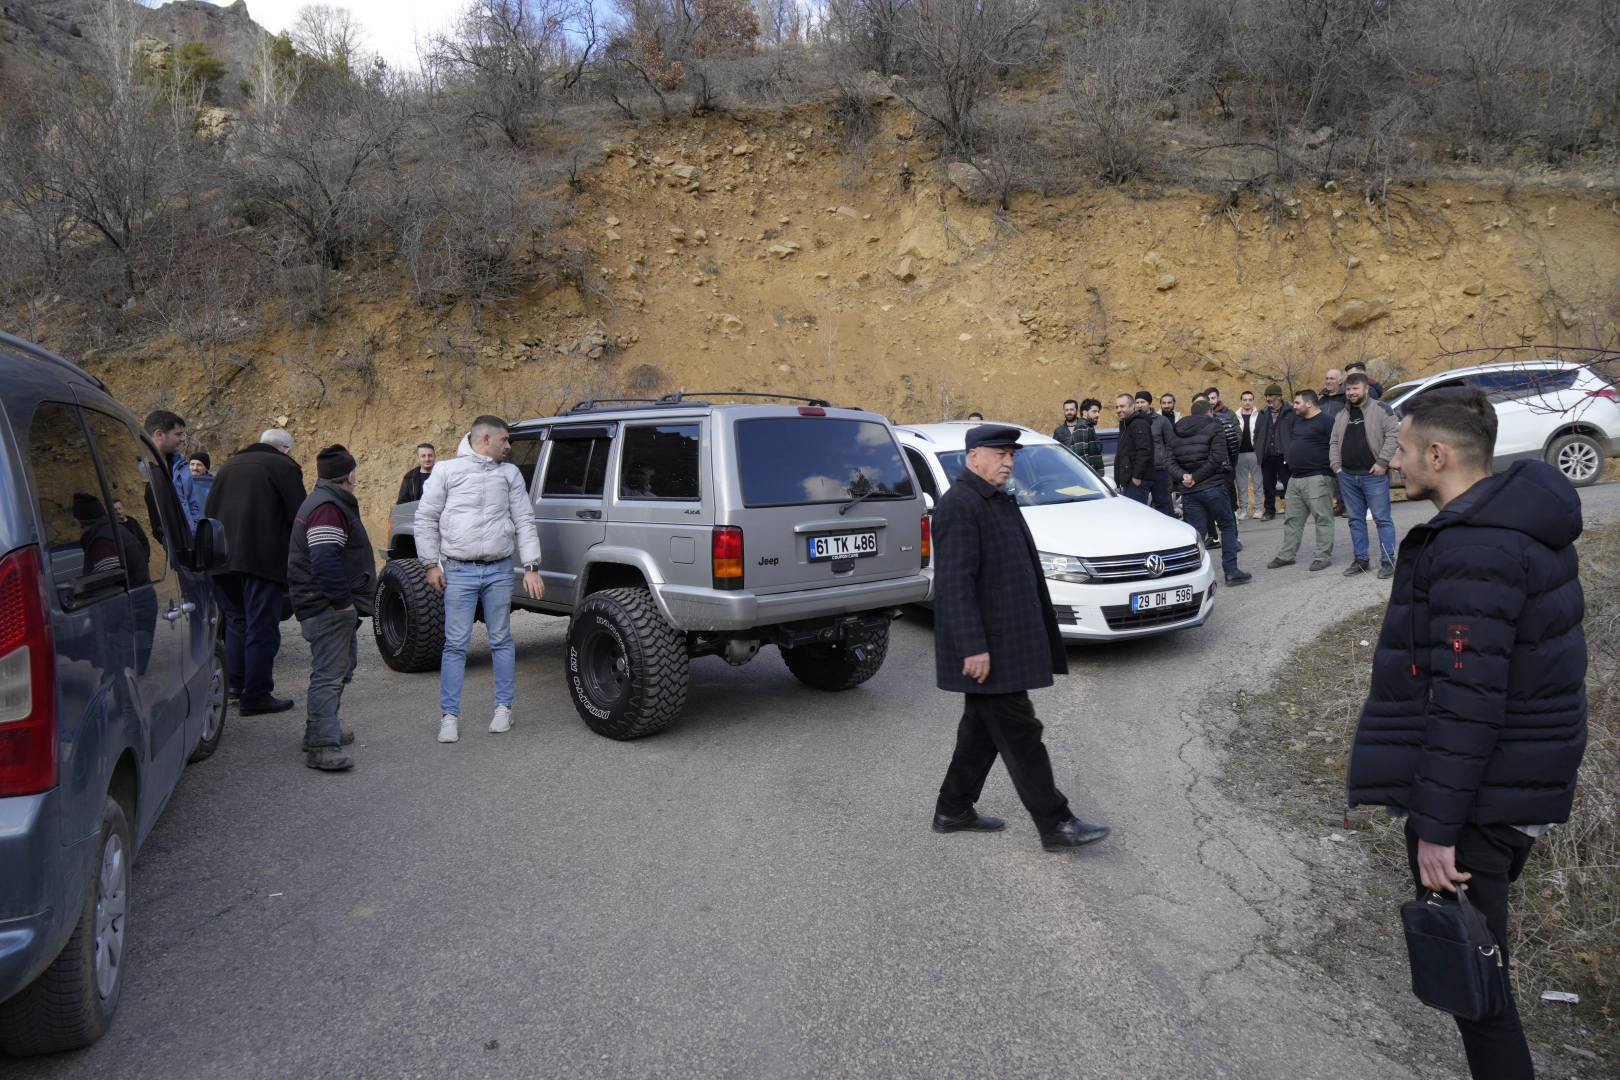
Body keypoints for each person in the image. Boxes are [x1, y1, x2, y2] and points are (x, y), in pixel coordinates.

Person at [1347, 387, 1586, 1080]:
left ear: (1439, 454)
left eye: (1402, 447)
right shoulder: (1514, 524)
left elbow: (1467, 699)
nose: (1393, 460)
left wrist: (1437, 830)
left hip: (1482, 803)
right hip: (1514, 785)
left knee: (1477, 988)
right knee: (1479, 974)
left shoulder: (1475, 549)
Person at [930, 424, 1111, 852]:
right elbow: (955, 584)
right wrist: (973, 646)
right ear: (973, 456)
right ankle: (1056, 823)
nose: (1009, 462)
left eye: (1012, 454)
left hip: (1007, 639)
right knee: (1021, 733)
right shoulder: (960, 504)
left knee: (981, 731)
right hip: (991, 645)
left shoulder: (993, 500)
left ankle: (953, 809)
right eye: (999, 454)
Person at [416, 415, 545, 743]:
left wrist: (531, 566)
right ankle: (449, 716)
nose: (509, 446)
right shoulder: (446, 470)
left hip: (500, 570)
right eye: (505, 440)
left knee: (501, 640)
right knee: (456, 644)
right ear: (485, 439)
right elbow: (426, 517)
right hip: (458, 570)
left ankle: (504, 709)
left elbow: (524, 518)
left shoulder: (510, 473)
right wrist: (431, 564)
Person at [205, 428, 307, 714]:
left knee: (237, 623)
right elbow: (300, 515)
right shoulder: (284, 466)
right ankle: (257, 695)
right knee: (262, 628)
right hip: (260, 560)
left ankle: (236, 685)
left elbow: (209, 510)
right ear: (286, 449)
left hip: (222, 560)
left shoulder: (228, 465)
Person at [287, 445, 376, 772]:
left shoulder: (326, 501)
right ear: (350, 474)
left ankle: (320, 730)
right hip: (327, 604)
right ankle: (323, 746)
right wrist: (343, 604)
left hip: (324, 602)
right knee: (330, 672)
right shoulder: (327, 507)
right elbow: (324, 559)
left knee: (340, 666)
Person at [1169, 400, 1252, 586]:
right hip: (1213, 486)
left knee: (1196, 535)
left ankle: (1193, 578)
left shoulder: (1175, 429)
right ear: (1209, 412)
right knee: (1227, 526)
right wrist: (1197, 477)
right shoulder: (1215, 426)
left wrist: (1185, 477)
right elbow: (1218, 458)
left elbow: (1168, 462)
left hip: (1189, 490)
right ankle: (1231, 572)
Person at [1331, 372, 1400, 578]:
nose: (1351, 393)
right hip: (1348, 476)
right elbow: (1334, 441)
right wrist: (1336, 466)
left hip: (1374, 475)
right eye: (1349, 389)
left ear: (1366, 389)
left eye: (1355, 389)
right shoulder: (1341, 415)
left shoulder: (1381, 410)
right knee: (1355, 520)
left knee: (1382, 519)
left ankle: (1388, 561)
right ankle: (1361, 560)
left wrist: (1382, 462)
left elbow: (1393, 435)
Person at [1267, 390, 1336, 571]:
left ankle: (1322, 557)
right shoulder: (1298, 423)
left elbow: (1336, 447)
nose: (1294, 406)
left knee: (1322, 518)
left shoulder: (1327, 421)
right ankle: (1287, 555)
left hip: (1318, 477)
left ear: (1309, 403)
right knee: (1292, 520)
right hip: (1295, 478)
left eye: (1297, 403)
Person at [143, 410, 204, 532]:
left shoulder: (181, 464)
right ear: (160, 434)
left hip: (189, 542)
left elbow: (193, 504)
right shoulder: (141, 466)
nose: (183, 439)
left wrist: (195, 532)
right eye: (178, 434)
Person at [1253, 384, 1295, 521]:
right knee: (1268, 485)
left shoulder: (1291, 412)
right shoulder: (1263, 413)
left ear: (1279, 396)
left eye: (1270, 395)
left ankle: (1293, 510)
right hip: (1267, 455)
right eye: (1266, 396)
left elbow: (1296, 432)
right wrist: (1258, 447)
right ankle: (1269, 511)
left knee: (1289, 484)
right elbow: (1257, 433)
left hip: (1284, 455)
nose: (1268, 398)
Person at [1136, 391, 1175, 517]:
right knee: (1140, 506)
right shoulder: (1132, 420)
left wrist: (1166, 461)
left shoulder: (1162, 421)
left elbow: (1170, 442)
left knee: (1162, 503)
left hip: (1159, 468)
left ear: (1149, 403)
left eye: (1143, 402)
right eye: (1137, 402)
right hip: (1140, 470)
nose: (1140, 405)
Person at [1112, 393, 1154, 505]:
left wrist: (1136, 477)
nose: (1119, 410)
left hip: (1137, 481)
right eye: (1117, 407)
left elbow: (1144, 452)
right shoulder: (1126, 424)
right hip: (1129, 480)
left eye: (1122, 406)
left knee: (1137, 517)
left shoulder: (1139, 424)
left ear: (1132, 407)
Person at [1234, 391, 1261, 519]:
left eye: (1250, 399)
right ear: (1241, 401)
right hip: (1240, 454)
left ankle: (1258, 508)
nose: (1247, 402)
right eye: (1245, 399)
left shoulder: (1259, 416)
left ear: (1253, 401)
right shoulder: (1235, 416)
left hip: (1255, 454)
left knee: (1258, 482)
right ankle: (1243, 510)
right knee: (1241, 484)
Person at [1070, 398, 1105, 474]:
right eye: (1094, 411)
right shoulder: (1082, 426)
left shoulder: (1088, 426)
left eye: (1098, 412)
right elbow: (1081, 455)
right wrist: (1092, 475)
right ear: (1085, 412)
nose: (1097, 414)